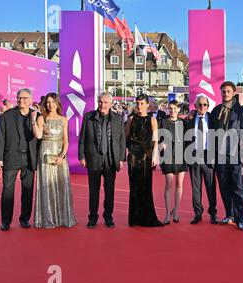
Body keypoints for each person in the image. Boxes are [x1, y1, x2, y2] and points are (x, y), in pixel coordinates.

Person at [78, 92, 126, 228]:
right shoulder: (89, 117)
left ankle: (108, 217)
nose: (102, 105)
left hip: (111, 159)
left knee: (109, 190)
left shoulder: (118, 118)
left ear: (111, 104)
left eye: (105, 102)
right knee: (94, 190)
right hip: (94, 158)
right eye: (100, 102)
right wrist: (82, 156)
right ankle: (92, 217)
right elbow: (82, 139)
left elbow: (121, 139)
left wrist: (121, 158)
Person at [210, 81, 243, 231]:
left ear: (234, 93)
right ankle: (229, 214)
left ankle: (241, 217)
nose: (226, 94)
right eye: (223, 91)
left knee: (238, 187)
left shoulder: (242, 112)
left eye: (228, 91)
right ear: (221, 93)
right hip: (220, 155)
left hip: (235, 155)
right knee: (224, 186)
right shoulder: (215, 111)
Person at [0, 88, 39, 231]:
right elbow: (1, 136)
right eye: (19, 98)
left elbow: (40, 138)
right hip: (10, 157)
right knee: (8, 190)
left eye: (25, 98)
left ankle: (25, 218)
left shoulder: (36, 115)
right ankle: (6, 221)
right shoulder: (8, 115)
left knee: (28, 190)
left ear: (31, 100)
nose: (21, 100)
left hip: (29, 158)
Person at [31, 93, 76, 228]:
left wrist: (62, 156)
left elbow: (66, 141)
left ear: (57, 103)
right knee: (46, 185)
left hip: (59, 155)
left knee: (61, 184)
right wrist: (33, 120)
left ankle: (63, 218)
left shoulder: (63, 119)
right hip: (45, 153)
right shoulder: (41, 118)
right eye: (48, 102)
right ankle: (48, 218)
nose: (51, 105)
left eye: (53, 102)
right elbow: (38, 136)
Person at [125, 94, 164, 227]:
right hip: (134, 158)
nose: (139, 106)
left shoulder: (152, 120)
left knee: (146, 187)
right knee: (134, 187)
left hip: (146, 157)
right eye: (138, 103)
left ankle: (146, 218)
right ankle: (135, 219)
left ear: (148, 105)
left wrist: (155, 155)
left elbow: (155, 140)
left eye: (142, 103)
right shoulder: (131, 119)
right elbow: (126, 137)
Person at [185, 95, 218, 225]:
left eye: (205, 105)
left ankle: (213, 213)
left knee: (211, 187)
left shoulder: (213, 119)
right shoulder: (189, 120)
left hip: (208, 157)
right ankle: (198, 213)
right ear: (195, 106)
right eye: (200, 105)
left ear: (208, 107)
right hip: (194, 156)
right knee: (196, 188)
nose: (202, 107)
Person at [159, 100, 188, 224]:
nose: (172, 111)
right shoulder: (163, 122)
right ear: (167, 109)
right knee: (168, 185)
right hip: (168, 156)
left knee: (179, 184)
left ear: (178, 110)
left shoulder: (183, 122)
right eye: (170, 109)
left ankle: (175, 211)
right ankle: (167, 212)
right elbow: (156, 138)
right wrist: (161, 145)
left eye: (175, 109)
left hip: (181, 156)